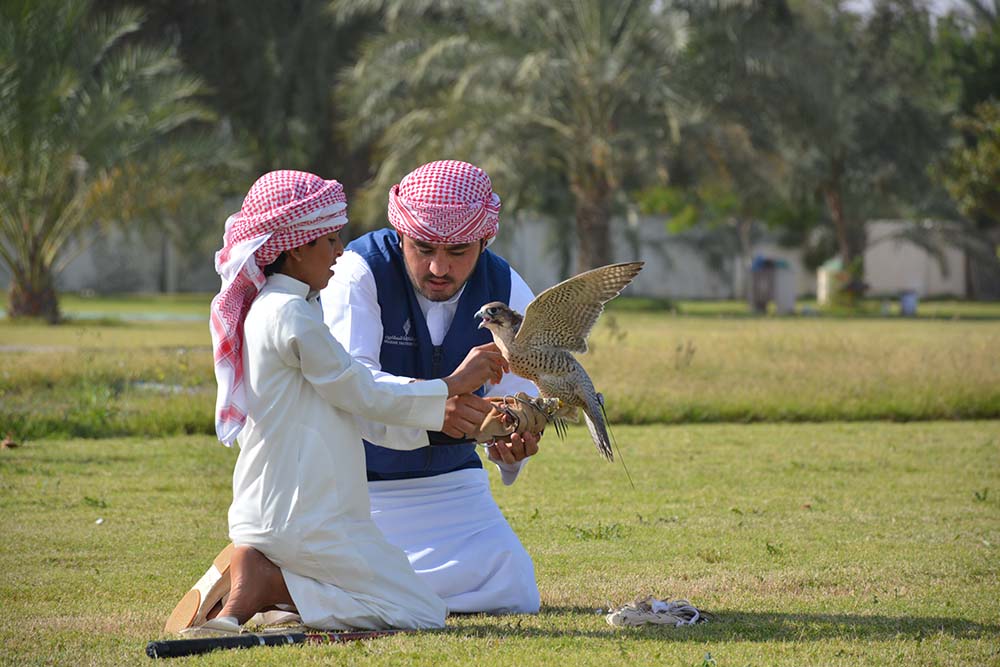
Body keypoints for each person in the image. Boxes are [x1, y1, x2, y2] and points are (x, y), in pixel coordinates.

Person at [165, 170, 506, 634]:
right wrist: (450, 385)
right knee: (421, 612)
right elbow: (361, 391)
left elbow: (348, 403)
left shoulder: (272, 308)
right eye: (329, 240)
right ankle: (270, 585)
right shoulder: (293, 317)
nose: (341, 251)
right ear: (298, 247)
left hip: (275, 511)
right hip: (309, 519)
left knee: (405, 596)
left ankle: (254, 596)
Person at [320, 159, 543, 615]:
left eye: (459, 251)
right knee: (358, 590)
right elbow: (351, 386)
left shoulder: (504, 285)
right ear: (401, 233)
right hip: (360, 487)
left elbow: (525, 392)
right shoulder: (358, 272)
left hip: (452, 487)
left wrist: (509, 443)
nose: (439, 267)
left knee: (513, 584)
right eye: (423, 248)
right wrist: (433, 407)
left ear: (485, 240)